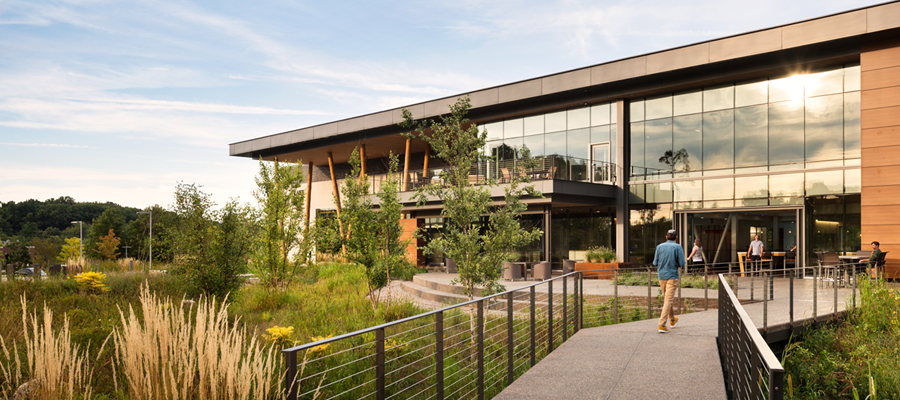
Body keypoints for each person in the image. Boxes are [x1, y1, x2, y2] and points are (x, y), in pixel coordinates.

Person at [652, 229, 685, 333]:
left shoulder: (659, 247)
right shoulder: (678, 247)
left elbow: (655, 263)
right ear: (676, 238)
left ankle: (672, 320)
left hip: (661, 276)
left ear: (666, 237)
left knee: (667, 299)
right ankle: (661, 324)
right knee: (668, 300)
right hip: (672, 276)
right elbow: (682, 263)